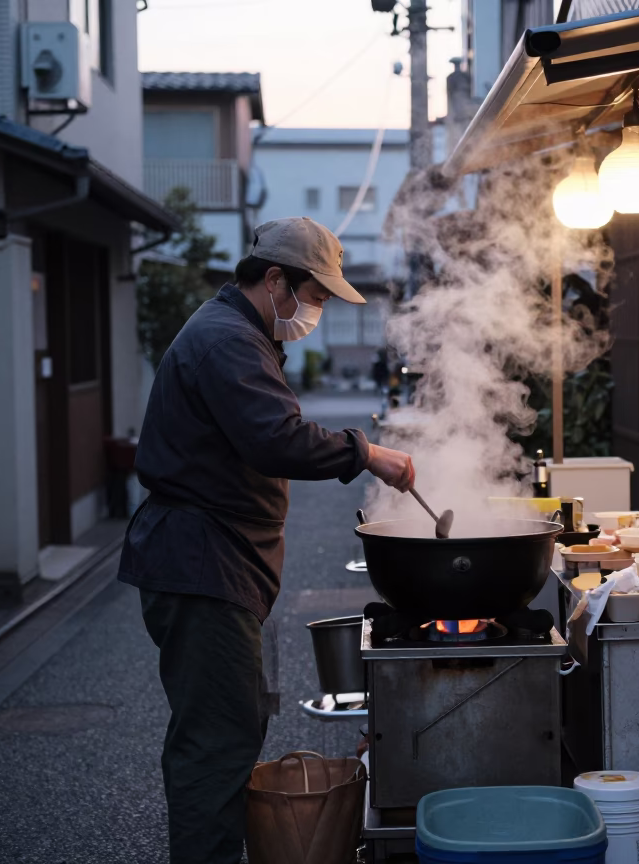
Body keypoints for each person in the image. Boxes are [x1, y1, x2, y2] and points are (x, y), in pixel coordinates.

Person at [119, 217, 415, 864]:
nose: (316, 310)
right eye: (314, 295)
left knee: (226, 727)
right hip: (203, 561)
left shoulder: (239, 333)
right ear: (275, 279)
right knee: (216, 741)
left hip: (214, 561)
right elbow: (274, 438)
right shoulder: (228, 341)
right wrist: (368, 453)